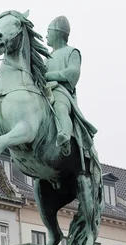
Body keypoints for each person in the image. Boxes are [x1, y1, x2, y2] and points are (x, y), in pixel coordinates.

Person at [45, 16, 81, 149]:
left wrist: (48, 75)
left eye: (48, 31)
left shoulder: (71, 52)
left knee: (60, 107)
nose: (46, 35)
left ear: (57, 33)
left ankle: (64, 135)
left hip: (61, 91)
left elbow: (73, 72)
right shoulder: (47, 57)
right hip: (45, 90)